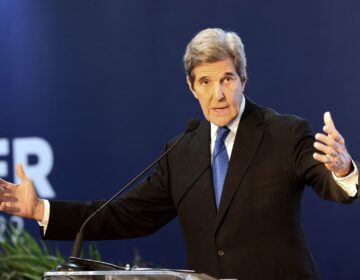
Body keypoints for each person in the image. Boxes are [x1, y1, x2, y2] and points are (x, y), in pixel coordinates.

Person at [0, 28, 358, 280]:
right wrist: (39, 210)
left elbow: (326, 180)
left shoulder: (285, 132)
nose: (218, 94)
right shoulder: (181, 150)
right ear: (191, 87)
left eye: (227, 79)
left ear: (243, 79)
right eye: (205, 82)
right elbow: (126, 215)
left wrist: (341, 169)